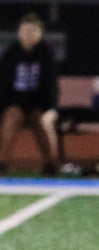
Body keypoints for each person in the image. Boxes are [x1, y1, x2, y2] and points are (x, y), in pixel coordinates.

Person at [0, 12, 60, 176]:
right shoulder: (10, 54)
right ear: (19, 33)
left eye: (32, 31)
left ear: (39, 33)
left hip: (39, 105)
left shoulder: (46, 54)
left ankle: (50, 166)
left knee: (44, 123)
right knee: (10, 119)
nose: (28, 34)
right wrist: (6, 107)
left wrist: (52, 109)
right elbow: (3, 85)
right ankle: (2, 164)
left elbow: (52, 84)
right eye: (25, 30)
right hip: (16, 103)